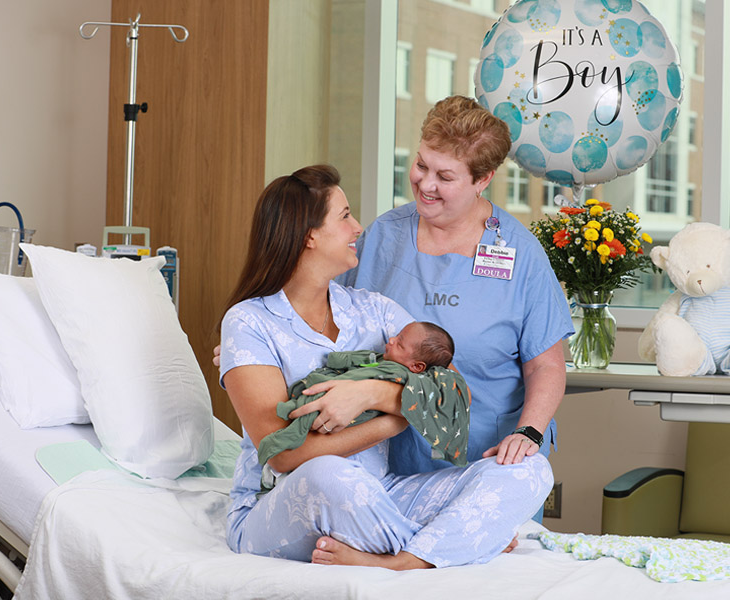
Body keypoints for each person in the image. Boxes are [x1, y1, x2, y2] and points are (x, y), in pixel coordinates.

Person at [219, 164, 552, 570]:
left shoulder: (371, 310)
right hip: (282, 500)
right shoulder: (249, 322)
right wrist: (394, 421)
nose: (358, 227)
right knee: (330, 475)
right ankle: (452, 545)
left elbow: (455, 392)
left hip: (380, 494)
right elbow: (283, 458)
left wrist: (379, 395)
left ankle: (404, 560)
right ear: (309, 236)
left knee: (529, 471)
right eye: (344, 217)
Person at [335, 95, 573, 482]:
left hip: (487, 458)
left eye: (445, 177)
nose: (425, 184)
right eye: (421, 165)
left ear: (483, 180)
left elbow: (546, 365)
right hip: (386, 457)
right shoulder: (383, 235)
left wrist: (528, 431)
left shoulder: (520, 254)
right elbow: (321, 313)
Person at [257, 321, 471, 469]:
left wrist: (346, 387)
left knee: (319, 406)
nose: (391, 339)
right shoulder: (385, 359)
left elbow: (364, 377)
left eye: (400, 342)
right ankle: (296, 408)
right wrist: (338, 360)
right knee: (317, 396)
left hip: (355, 411)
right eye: (396, 336)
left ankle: (294, 429)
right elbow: (360, 360)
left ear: (416, 366)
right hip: (342, 394)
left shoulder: (398, 374)